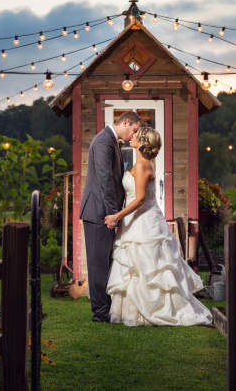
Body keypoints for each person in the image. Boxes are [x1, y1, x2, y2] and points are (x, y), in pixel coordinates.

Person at [105, 126, 212, 326]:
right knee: (134, 267)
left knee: (149, 267)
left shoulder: (143, 166)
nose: (132, 136)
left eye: (137, 135)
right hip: (136, 220)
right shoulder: (143, 163)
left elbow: (139, 199)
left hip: (144, 220)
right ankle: (133, 312)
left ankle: (154, 310)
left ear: (143, 142)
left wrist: (116, 216)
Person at [80, 111, 142, 322]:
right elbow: (105, 181)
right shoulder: (103, 141)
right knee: (98, 264)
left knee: (105, 262)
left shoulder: (111, 142)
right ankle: (99, 313)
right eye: (134, 130)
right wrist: (112, 214)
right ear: (125, 122)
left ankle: (105, 308)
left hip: (103, 211)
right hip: (99, 212)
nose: (134, 134)